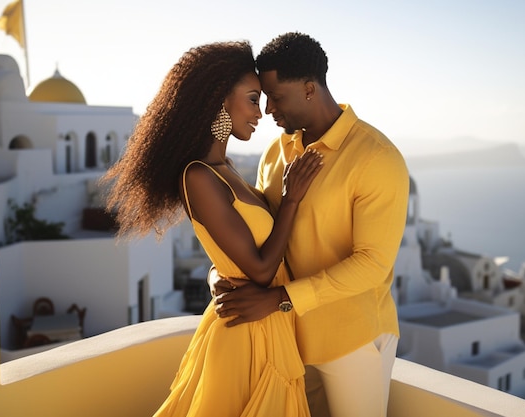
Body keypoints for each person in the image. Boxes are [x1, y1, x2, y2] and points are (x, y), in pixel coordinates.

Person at [101, 41, 323, 417]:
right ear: (220, 100)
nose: (261, 112)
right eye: (253, 99)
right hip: (244, 338)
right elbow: (261, 268)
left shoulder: (227, 169)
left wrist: (216, 272)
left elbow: (231, 255)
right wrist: (291, 199)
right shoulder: (198, 176)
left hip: (267, 326)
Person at [213, 32, 409, 417]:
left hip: (353, 340)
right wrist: (219, 276)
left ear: (308, 89)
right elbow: (255, 232)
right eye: (263, 98)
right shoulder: (276, 152)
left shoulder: (376, 158)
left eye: (276, 97)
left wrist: (279, 299)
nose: (268, 109)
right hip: (286, 339)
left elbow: (372, 264)